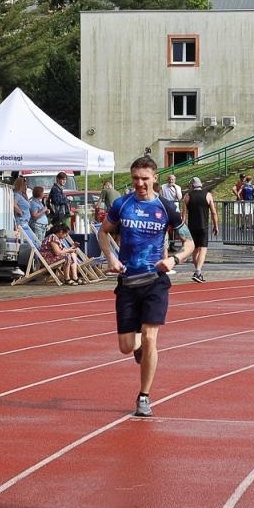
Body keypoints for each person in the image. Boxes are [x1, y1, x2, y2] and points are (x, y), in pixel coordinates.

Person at [99, 155, 192, 418]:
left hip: (155, 282)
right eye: (135, 179)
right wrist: (111, 258)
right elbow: (103, 232)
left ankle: (144, 396)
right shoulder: (121, 204)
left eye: (144, 179)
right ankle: (137, 349)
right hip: (128, 281)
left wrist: (174, 259)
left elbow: (190, 243)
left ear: (155, 178)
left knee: (151, 338)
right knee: (126, 346)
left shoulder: (165, 207)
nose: (140, 183)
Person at [182, 175, 218, 282]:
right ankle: (198, 271)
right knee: (203, 249)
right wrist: (216, 225)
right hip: (203, 226)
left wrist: (181, 228)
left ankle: (198, 271)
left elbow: (183, 215)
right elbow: (214, 212)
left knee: (195, 250)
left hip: (192, 226)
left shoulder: (187, 196)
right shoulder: (208, 195)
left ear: (192, 185)